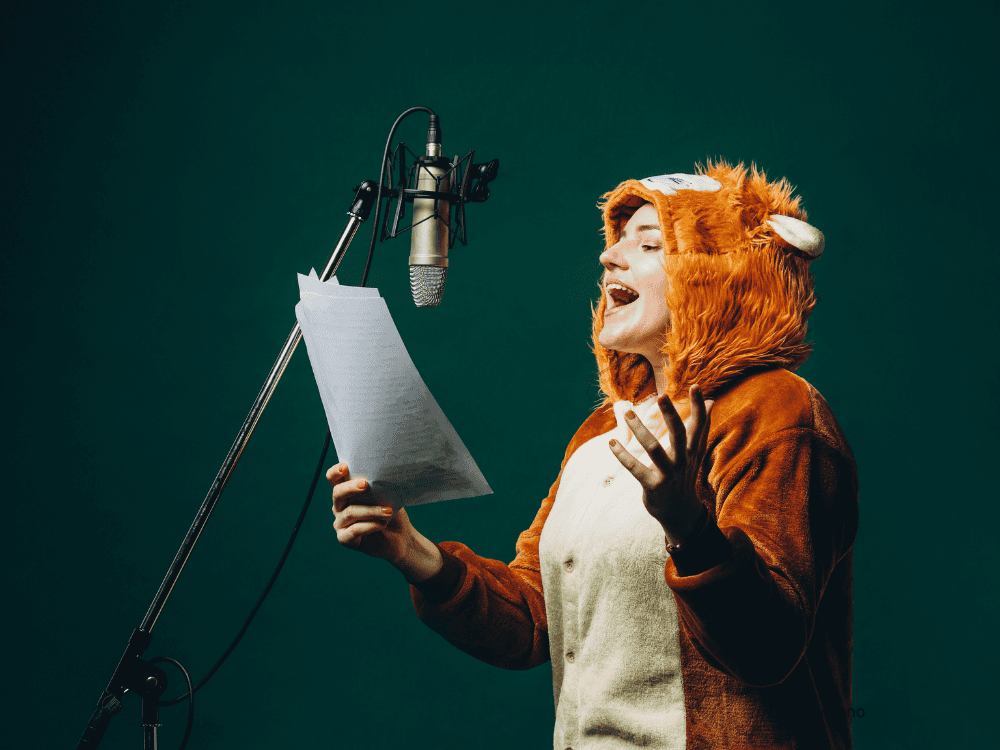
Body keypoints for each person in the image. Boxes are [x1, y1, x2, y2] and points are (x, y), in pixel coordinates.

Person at [328, 162, 858, 749]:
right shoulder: (602, 432)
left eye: (651, 243)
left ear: (721, 274)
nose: (611, 257)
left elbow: (769, 648)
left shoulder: (777, 408)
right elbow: (533, 621)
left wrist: (690, 528)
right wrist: (414, 553)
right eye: (618, 238)